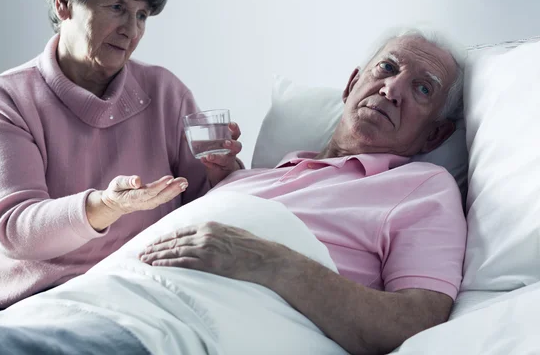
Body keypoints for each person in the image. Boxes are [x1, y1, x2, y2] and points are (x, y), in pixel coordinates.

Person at [0, 0, 242, 318]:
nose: (131, 29)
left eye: (142, 15)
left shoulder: (166, 92)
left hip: (122, 296)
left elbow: (203, 214)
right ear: (63, 2)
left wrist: (221, 172)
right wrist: (108, 206)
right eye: (117, 7)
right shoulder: (4, 99)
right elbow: (12, 228)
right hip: (9, 301)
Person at [138, 29, 467, 354]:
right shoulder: (256, 174)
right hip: (120, 297)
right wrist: (227, 183)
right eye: (387, 68)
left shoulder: (423, 187)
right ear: (352, 85)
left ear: (435, 135)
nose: (392, 89)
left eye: (423, 88)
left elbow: (420, 323)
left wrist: (266, 260)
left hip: (179, 333)